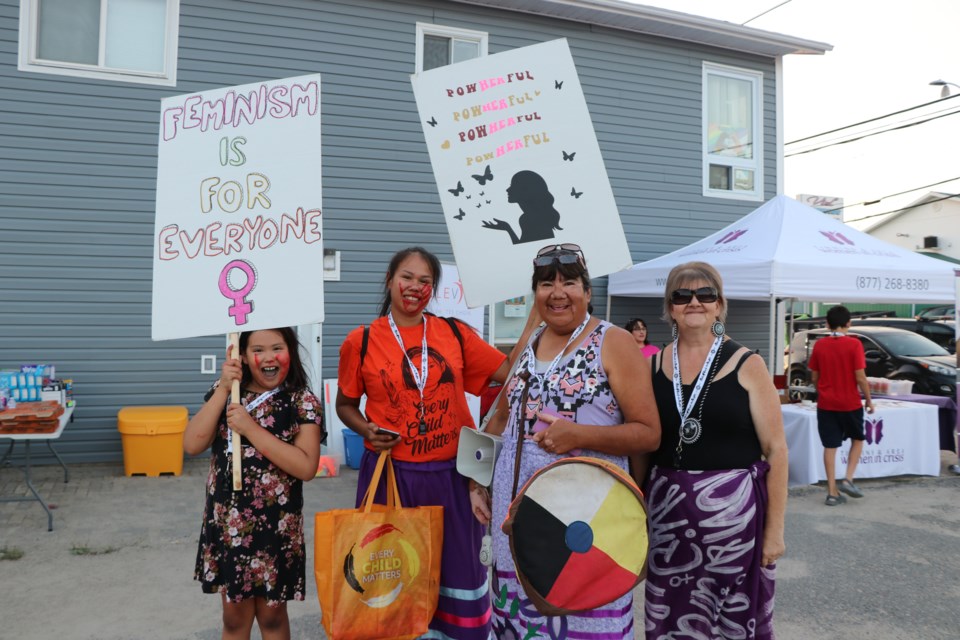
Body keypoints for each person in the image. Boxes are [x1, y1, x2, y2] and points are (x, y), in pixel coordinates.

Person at [473, 242, 661, 640]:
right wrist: (477, 482)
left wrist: (578, 435)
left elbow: (648, 432)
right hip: (517, 522)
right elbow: (502, 418)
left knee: (581, 624)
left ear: (588, 292)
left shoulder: (613, 342)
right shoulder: (531, 342)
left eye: (569, 282)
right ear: (535, 294)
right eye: (546, 284)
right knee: (521, 624)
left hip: (582, 525)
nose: (557, 292)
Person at [336, 246, 511, 640]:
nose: (415, 287)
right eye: (407, 277)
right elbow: (345, 404)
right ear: (390, 280)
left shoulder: (453, 334)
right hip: (390, 476)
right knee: (393, 570)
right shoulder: (360, 341)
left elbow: (510, 371)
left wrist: (537, 319)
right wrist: (365, 429)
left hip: (452, 475)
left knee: (458, 571)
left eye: (425, 281)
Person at [642, 261, 787, 640]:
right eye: (682, 295)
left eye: (705, 294)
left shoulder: (748, 364)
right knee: (671, 619)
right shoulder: (653, 365)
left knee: (732, 621)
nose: (694, 302)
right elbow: (642, 445)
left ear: (719, 305)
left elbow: (776, 451)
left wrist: (775, 532)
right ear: (670, 306)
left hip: (734, 530)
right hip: (667, 524)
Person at [183, 327, 324, 640]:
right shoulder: (227, 396)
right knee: (234, 619)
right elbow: (192, 444)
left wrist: (249, 428)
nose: (269, 357)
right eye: (258, 350)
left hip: (276, 530)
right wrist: (223, 388)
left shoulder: (301, 401)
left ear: (291, 351)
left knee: (273, 618)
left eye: (278, 347)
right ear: (243, 357)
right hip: (230, 528)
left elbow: (306, 466)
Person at [808, 304, 875, 505]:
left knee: (830, 446)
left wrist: (823, 391)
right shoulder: (855, 345)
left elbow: (814, 376)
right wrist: (869, 400)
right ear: (848, 323)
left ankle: (831, 492)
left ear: (827, 324)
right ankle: (848, 478)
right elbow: (860, 377)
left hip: (826, 404)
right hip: (850, 403)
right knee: (857, 439)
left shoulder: (819, 345)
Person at [481, 170, 562, 244]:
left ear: (525, 190)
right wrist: (508, 228)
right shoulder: (529, 217)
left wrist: (508, 229)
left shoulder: (530, 219)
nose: (508, 190)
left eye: (513, 186)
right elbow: (524, 245)